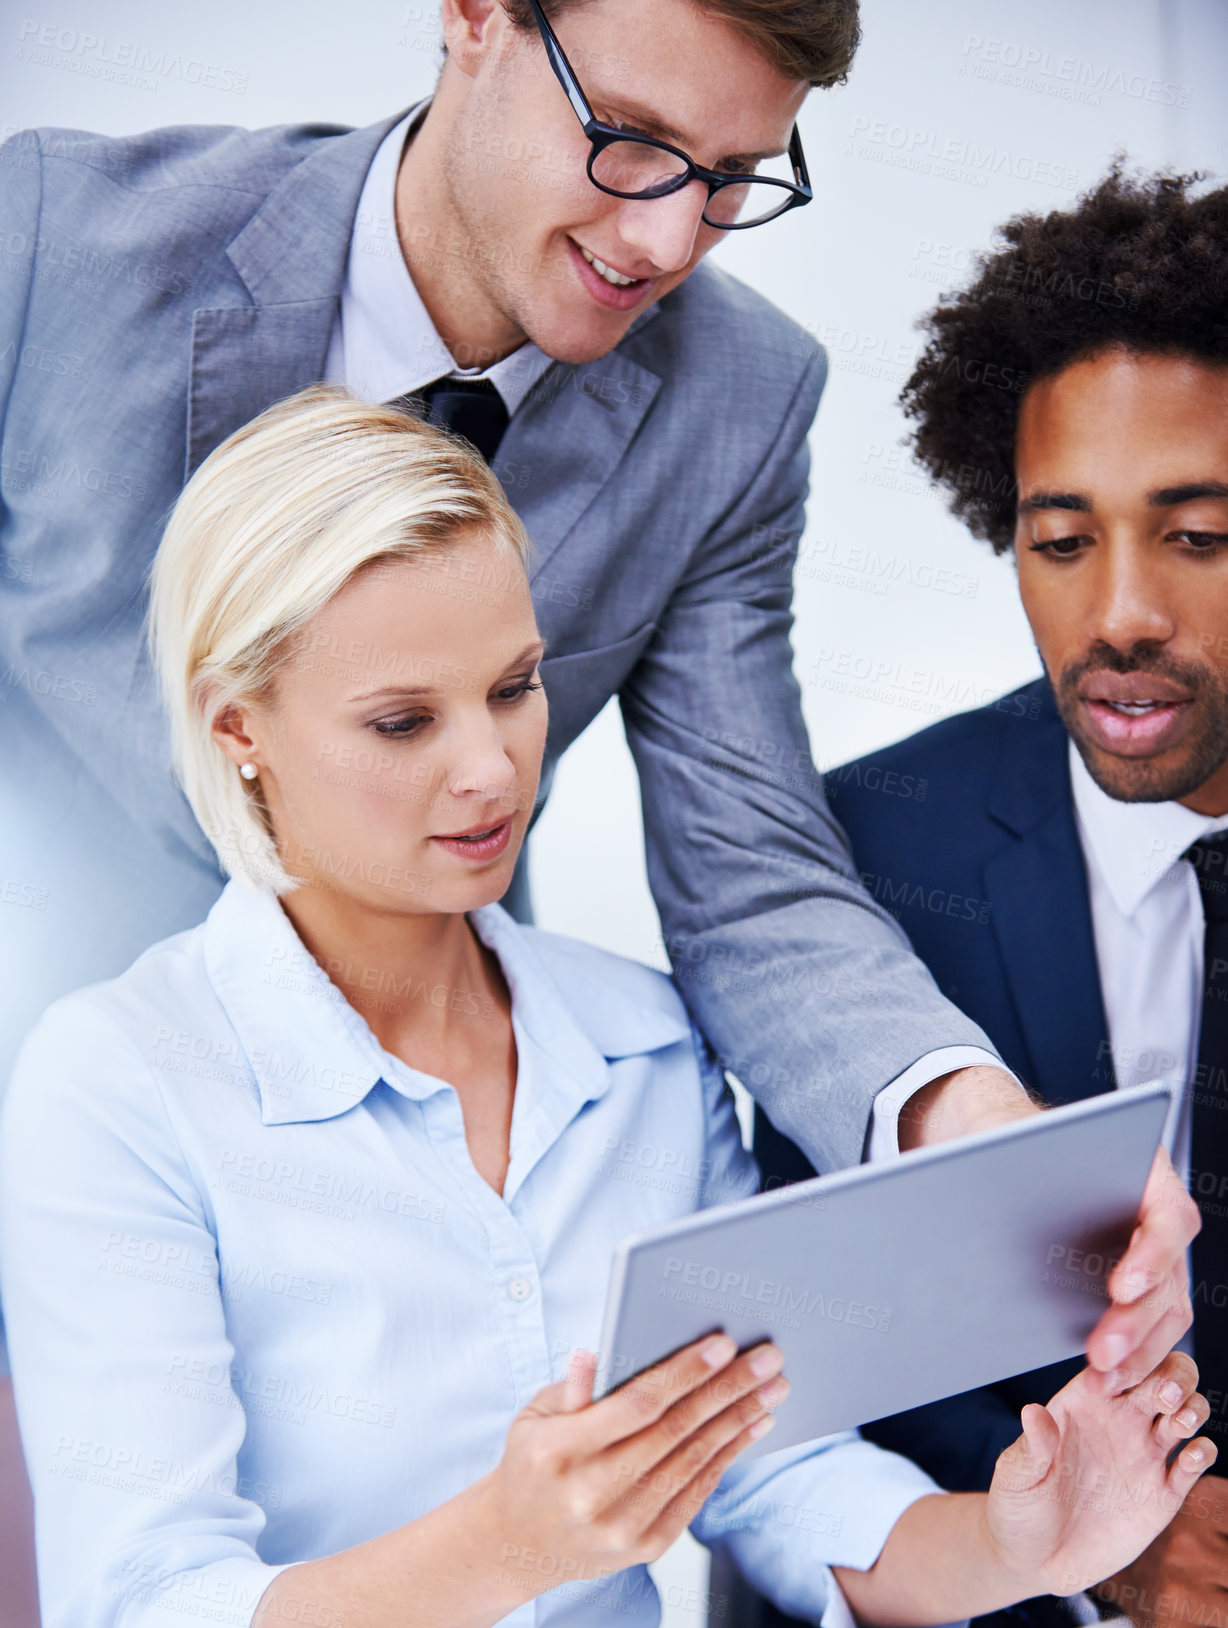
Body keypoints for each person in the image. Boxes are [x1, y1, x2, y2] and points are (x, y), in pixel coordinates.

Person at [0, 0, 1192, 1432]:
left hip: (438, 1216)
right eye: (632, 143)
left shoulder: (738, 398)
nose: (668, 242)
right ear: (475, 19)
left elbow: (750, 873)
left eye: (740, 175)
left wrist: (971, 1133)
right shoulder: (52, 244)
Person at [0, 386, 1215, 1628]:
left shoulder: (638, 1039)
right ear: (237, 727)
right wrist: (504, 1545)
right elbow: (144, 1599)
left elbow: (772, 1470)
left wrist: (1022, 1542)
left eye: (515, 686)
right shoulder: (117, 1083)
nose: (490, 769)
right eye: (404, 720)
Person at [756, 165, 1228, 1628]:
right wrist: (1098, 1530)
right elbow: (814, 1345)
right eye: (1061, 541)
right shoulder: (874, 851)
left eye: (1201, 536)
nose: (1122, 613)